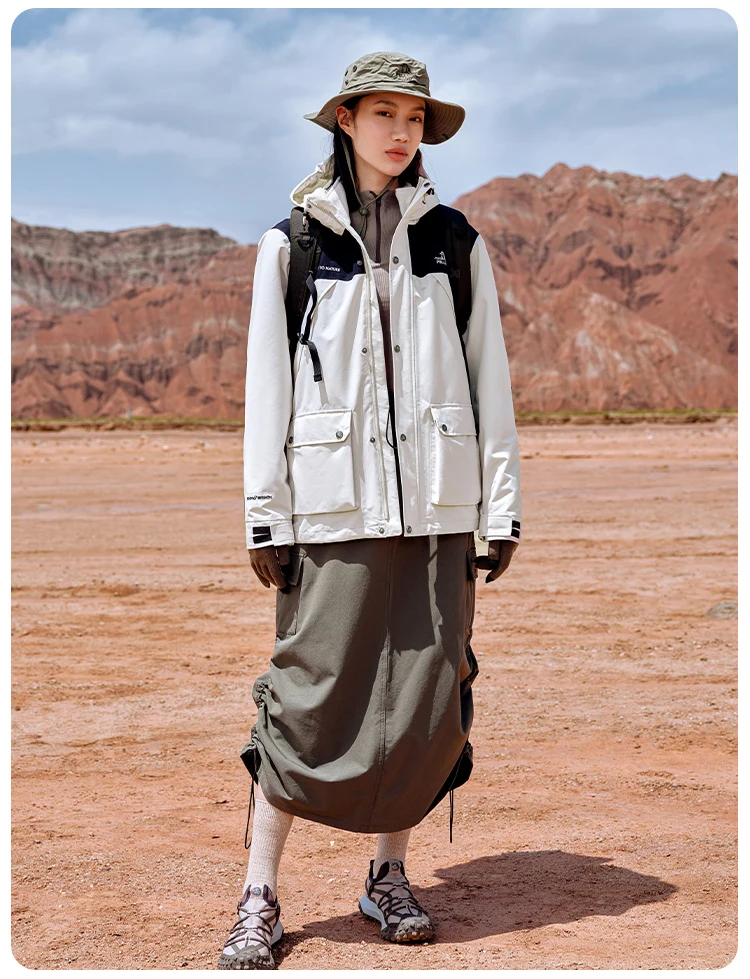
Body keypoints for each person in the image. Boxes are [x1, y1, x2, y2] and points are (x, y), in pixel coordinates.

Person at [218, 51, 522, 970]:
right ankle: (259, 894)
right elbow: (266, 392)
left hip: (437, 511)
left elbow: (490, 382)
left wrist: (499, 508)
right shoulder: (292, 246)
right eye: (383, 113)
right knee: (306, 700)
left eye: (415, 117)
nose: (402, 132)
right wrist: (266, 515)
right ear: (344, 121)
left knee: (427, 701)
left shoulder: (455, 244)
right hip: (332, 511)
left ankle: (387, 875)